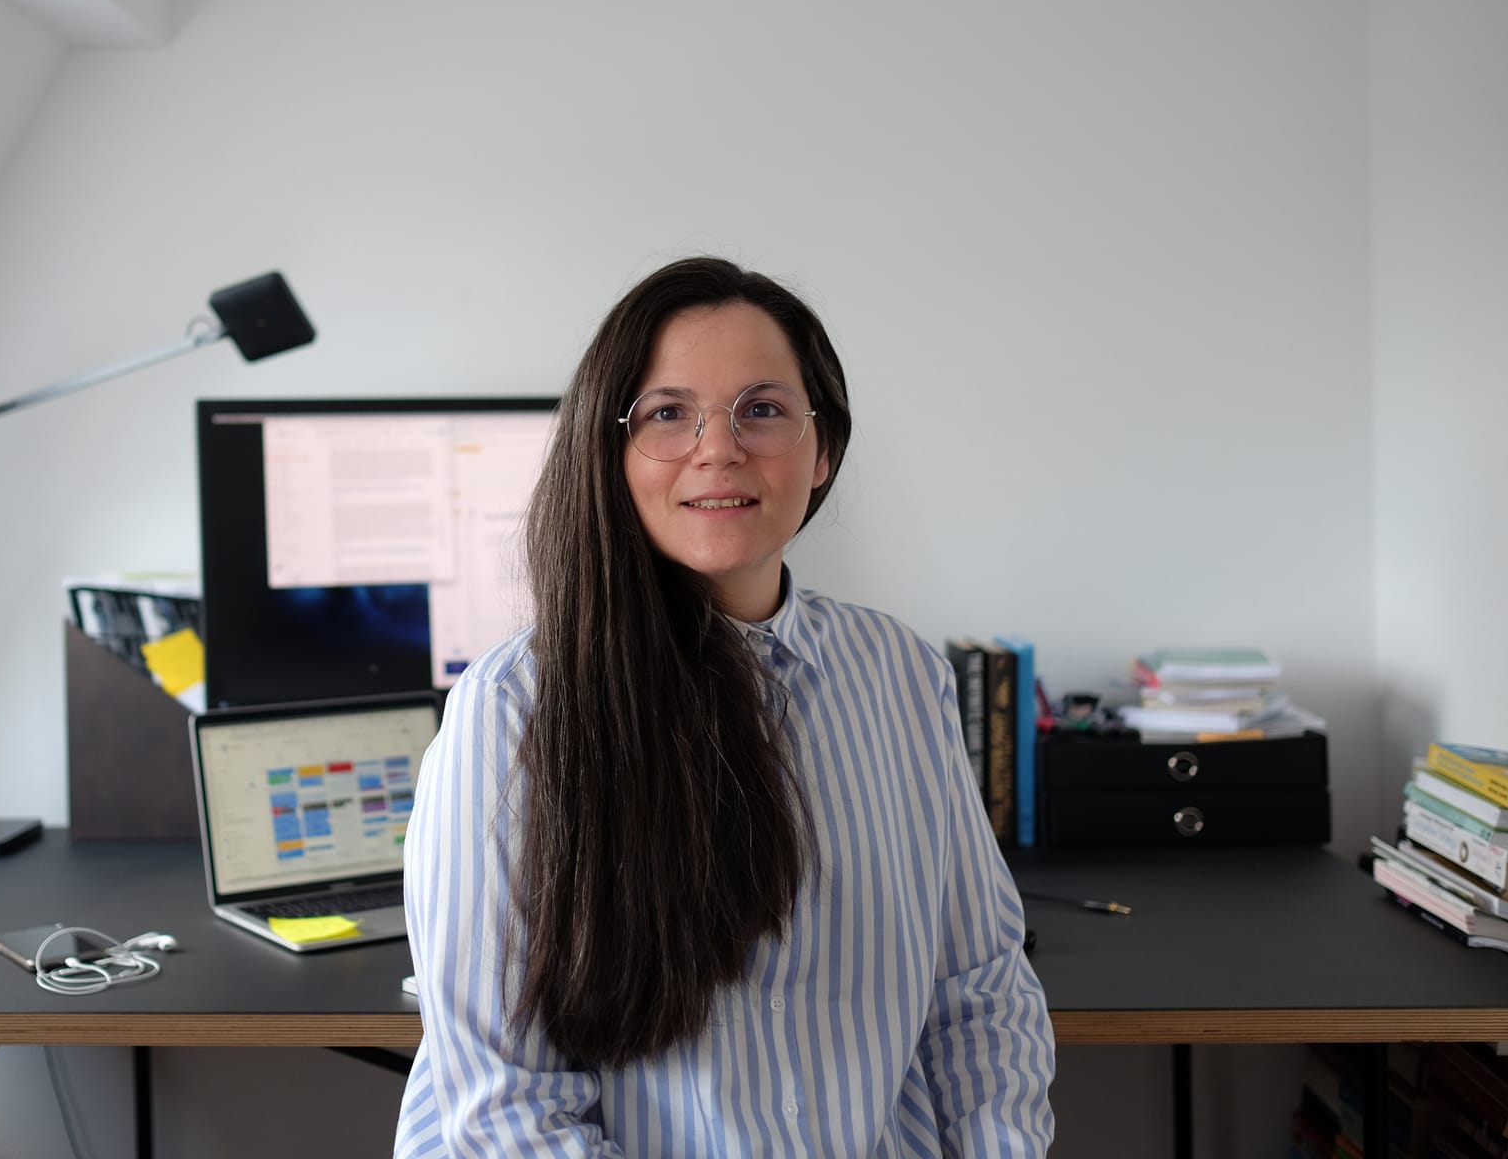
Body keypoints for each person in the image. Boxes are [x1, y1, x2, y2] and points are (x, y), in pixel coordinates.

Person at [394, 257, 1056, 1156]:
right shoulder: (511, 712)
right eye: (668, 414)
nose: (719, 447)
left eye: (763, 409)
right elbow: (507, 1111)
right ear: (612, 451)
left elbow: (978, 990)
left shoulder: (899, 673)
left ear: (823, 450)